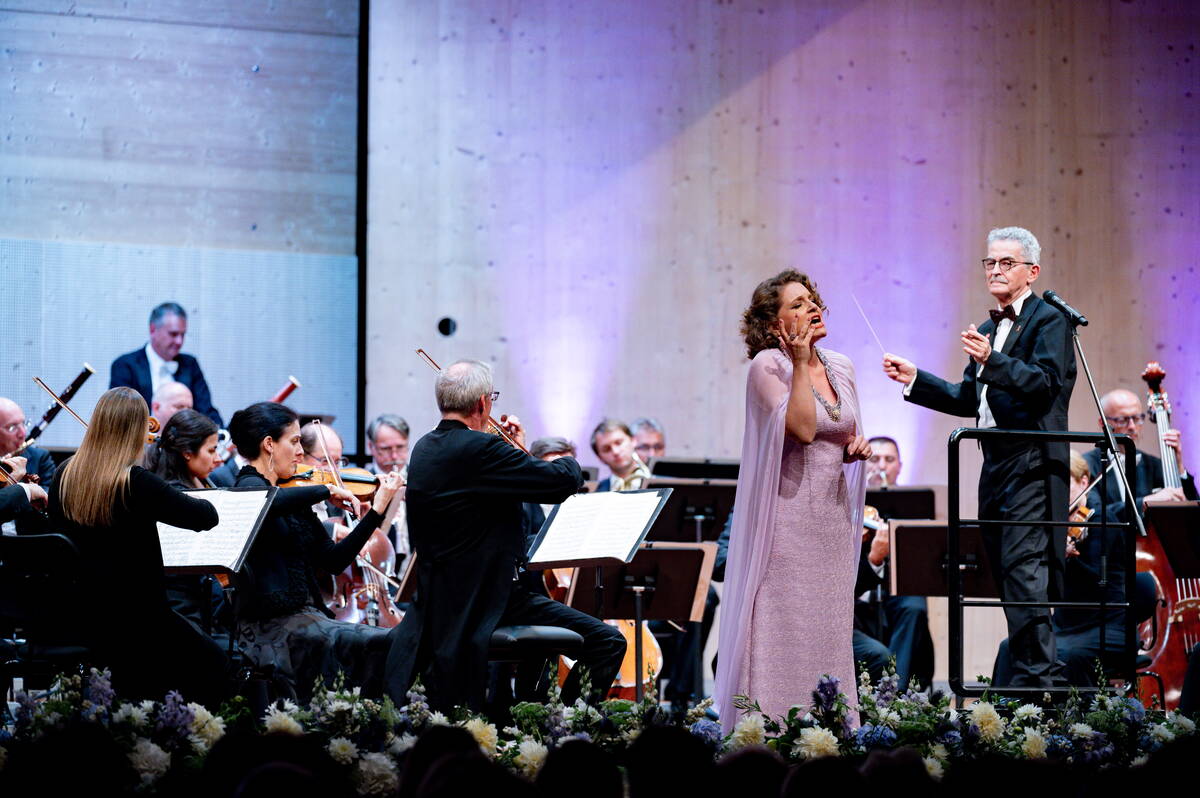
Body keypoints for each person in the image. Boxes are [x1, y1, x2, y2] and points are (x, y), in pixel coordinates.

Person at [883, 226, 1076, 688]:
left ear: (1032, 271)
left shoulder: (1050, 319)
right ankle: (1029, 678)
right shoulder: (989, 329)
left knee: (1024, 571)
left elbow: (1046, 384)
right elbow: (970, 398)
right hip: (995, 466)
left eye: (1005, 263)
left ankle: (1038, 685)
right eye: (989, 262)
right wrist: (917, 379)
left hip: (1030, 459)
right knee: (1006, 571)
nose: (995, 270)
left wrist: (994, 360)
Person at [384, 360, 626, 712]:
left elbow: (489, 489)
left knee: (583, 641)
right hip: (490, 601)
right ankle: (568, 723)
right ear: (483, 403)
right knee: (607, 641)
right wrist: (557, 458)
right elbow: (561, 481)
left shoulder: (424, 448)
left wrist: (508, 450)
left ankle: (542, 717)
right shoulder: (481, 451)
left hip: (441, 601)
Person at [716, 270, 871, 723]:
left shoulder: (841, 365)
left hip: (833, 521)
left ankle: (831, 733)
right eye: (798, 305)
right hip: (786, 522)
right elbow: (803, 430)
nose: (812, 309)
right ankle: (774, 732)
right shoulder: (768, 366)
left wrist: (856, 448)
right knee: (784, 630)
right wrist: (801, 362)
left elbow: (844, 430)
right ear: (773, 324)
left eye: (813, 300)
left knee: (829, 632)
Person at [47, 387, 231, 704]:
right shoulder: (135, 481)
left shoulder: (64, 474)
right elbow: (205, 516)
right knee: (217, 667)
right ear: (138, 431)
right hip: (140, 619)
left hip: (80, 615)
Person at [230, 401, 403, 699]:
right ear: (269, 444)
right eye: (295, 441)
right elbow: (265, 503)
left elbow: (333, 561)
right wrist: (326, 490)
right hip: (271, 628)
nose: (300, 452)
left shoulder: (291, 494)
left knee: (392, 640)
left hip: (308, 620)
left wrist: (375, 513)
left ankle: (363, 728)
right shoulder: (249, 487)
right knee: (375, 643)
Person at [852, 436, 934, 689]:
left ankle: (895, 693)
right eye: (874, 459)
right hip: (857, 589)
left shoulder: (912, 505)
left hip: (895, 590)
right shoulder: (849, 502)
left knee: (914, 606)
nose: (882, 466)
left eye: (889, 460)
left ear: (899, 466)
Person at [143, 408, 227, 635]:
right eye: (211, 450)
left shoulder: (199, 483)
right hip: (182, 602)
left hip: (202, 595)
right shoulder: (172, 495)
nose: (217, 458)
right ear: (187, 453)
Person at [1083, 388, 1197, 512]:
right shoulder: (1088, 466)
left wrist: (1178, 466)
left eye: (1137, 418)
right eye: (1122, 420)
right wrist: (1145, 502)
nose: (1132, 426)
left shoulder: (1153, 465)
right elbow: (1094, 512)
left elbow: (1192, 509)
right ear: (1102, 423)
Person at [110, 302, 222, 426]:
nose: (179, 341)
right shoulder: (125, 365)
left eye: (182, 334)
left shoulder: (190, 364)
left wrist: (220, 434)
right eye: (173, 334)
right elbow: (120, 415)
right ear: (153, 330)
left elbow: (205, 409)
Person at [0, 396, 56, 535]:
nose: (23, 433)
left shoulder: (40, 458)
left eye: (23, 424)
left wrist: (24, 488)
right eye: (12, 427)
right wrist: (19, 487)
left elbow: (53, 505)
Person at [592, 419, 649, 492]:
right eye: (606, 449)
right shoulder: (595, 493)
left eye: (619, 443)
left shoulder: (660, 482)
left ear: (633, 440)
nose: (615, 452)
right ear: (600, 458)